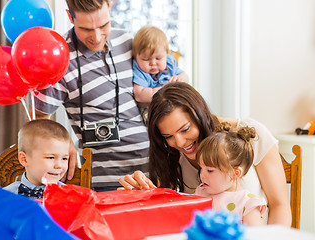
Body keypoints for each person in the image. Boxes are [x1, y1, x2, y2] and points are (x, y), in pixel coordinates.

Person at [119, 82, 291, 226]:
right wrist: (143, 194)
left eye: (185, 129)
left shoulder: (251, 134)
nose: (179, 143)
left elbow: (280, 206)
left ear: (201, 116)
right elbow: (170, 213)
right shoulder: (171, 154)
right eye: (168, 136)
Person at [34, 0, 149, 192]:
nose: (96, 36)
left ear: (110, 9)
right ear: (70, 17)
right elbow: (38, 119)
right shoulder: (59, 58)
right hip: (105, 182)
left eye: (103, 25)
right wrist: (64, 141)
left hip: (151, 175)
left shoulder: (127, 41)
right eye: (86, 29)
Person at [194, 122, 267, 226]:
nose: (202, 175)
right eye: (201, 168)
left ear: (235, 173)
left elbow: (254, 236)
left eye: (210, 170)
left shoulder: (248, 203)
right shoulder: (200, 193)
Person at [3, 119, 71, 200]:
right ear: (24, 159)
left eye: (64, 158)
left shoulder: (70, 197)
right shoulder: (5, 196)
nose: (59, 165)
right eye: (51, 157)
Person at [132, 25, 189, 108]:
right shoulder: (140, 71)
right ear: (136, 58)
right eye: (146, 59)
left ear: (166, 55)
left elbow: (185, 76)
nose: (153, 63)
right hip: (152, 108)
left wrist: (180, 78)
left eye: (158, 58)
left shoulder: (169, 64)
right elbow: (139, 95)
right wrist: (163, 90)